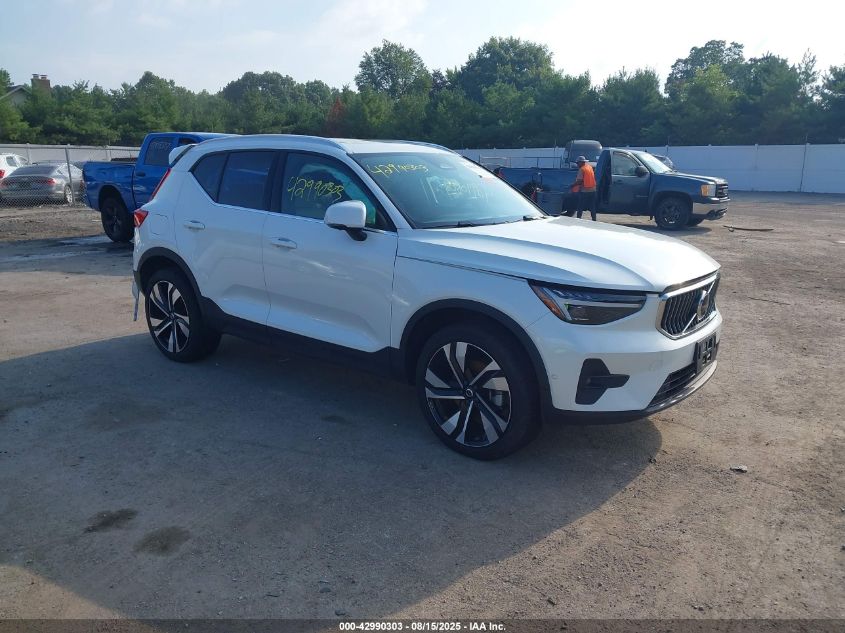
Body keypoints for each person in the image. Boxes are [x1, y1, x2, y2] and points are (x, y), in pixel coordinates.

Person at [573, 156, 597, 221]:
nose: (577, 164)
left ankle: (578, 219)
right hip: (593, 190)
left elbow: (579, 181)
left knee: (580, 206)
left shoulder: (582, 169)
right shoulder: (589, 167)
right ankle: (594, 220)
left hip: (585, 191)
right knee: (592, 206)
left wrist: (572, 186)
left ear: (581, 162)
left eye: (578, 163)